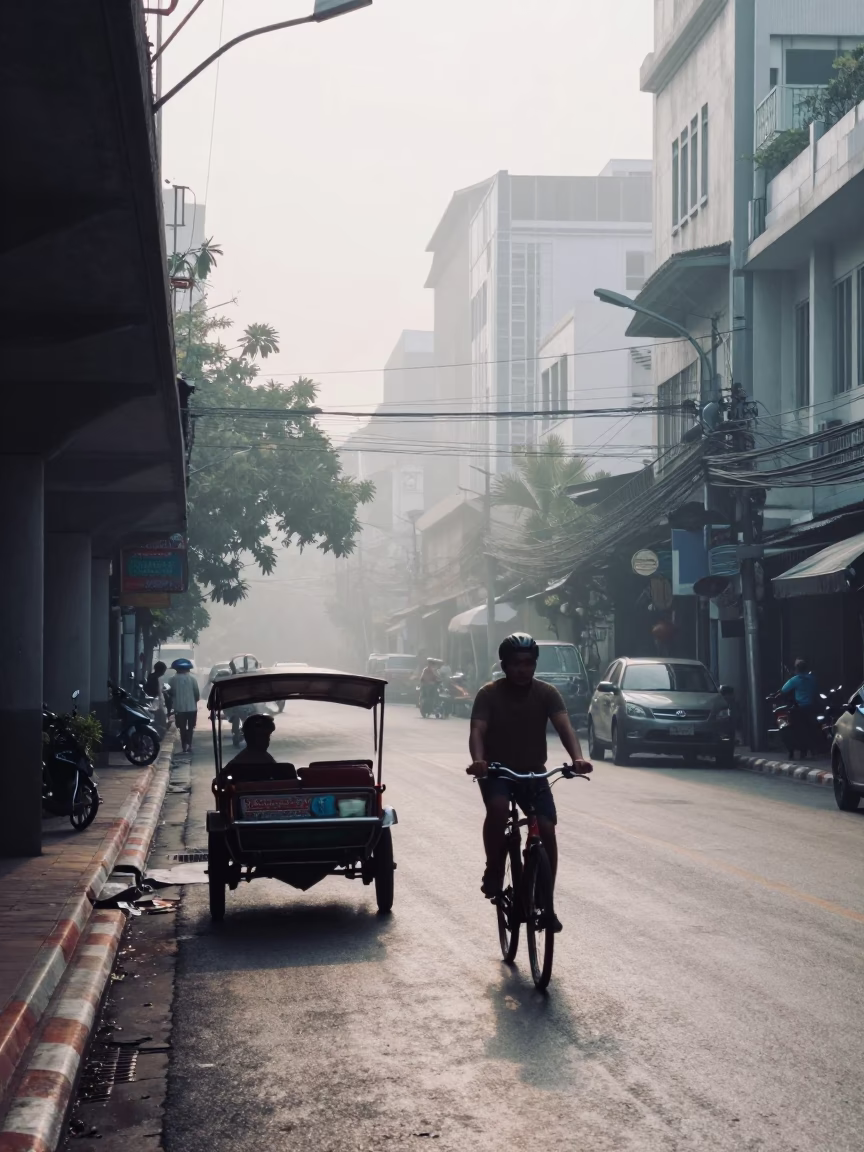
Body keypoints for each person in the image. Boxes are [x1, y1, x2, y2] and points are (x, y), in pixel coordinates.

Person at [466, 632, 591, 932]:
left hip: (534, 773)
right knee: (497, 808)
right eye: (516, 664)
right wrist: (479, 761)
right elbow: (477, 731)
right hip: (497, 772)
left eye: (529, 663)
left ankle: (545, 903)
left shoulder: (547, 693)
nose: (523, 669)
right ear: (505, 665)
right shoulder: (489, 693)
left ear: (535, 665)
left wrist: (577, 758)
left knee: (546, 829)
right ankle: (494, 867)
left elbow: (564, 726)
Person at [781, 658, 819, 750]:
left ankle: (799, 748)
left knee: (795, 728)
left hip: (800, 708)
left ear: (796, 669)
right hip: (812, 707)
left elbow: (784, 690)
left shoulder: (795, 680)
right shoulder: (812, 679)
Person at [171, 660, 200, 755]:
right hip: (192, 708)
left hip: (179, 708)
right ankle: (189, 745)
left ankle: (184, 746)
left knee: (182, 728)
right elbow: (197, 694)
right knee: (191, 727)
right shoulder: (192, 679)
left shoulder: (172, 679)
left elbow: (170, 693)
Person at [145, 661, 168, 738]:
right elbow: (159, 690)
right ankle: (159, 734)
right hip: (157, 700)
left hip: (149, 699)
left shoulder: (150, 676)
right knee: (160, 718)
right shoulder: (160, 677)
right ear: (162, 670)